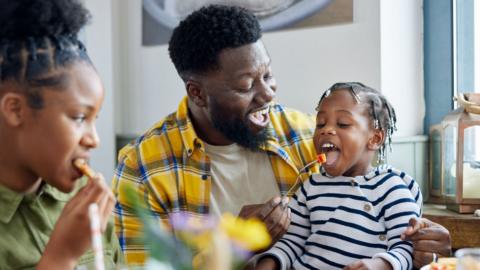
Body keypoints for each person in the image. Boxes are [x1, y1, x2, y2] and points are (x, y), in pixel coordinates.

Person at [112, 4, 451, 268]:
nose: (268, 94)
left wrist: (424, 247)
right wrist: (234, 247)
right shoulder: (142, 168)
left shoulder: (308, 135)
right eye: (247, 86)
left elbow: (378, 208)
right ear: (197, 93)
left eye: (268, 75)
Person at [0, 0, 122, 269]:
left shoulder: (85, 200)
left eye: (95, 119)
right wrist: (62, 257)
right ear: (15, 109)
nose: (94, 139)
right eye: (79, 117)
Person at [254, 82, 420, 270]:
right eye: (320, 124)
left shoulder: (392, 188)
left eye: (342, 124)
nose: (326, 130)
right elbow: (292, 242)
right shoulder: (311, 187)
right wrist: (270, 262)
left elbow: (407, 247)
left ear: (374, 139)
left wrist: (381, 265)